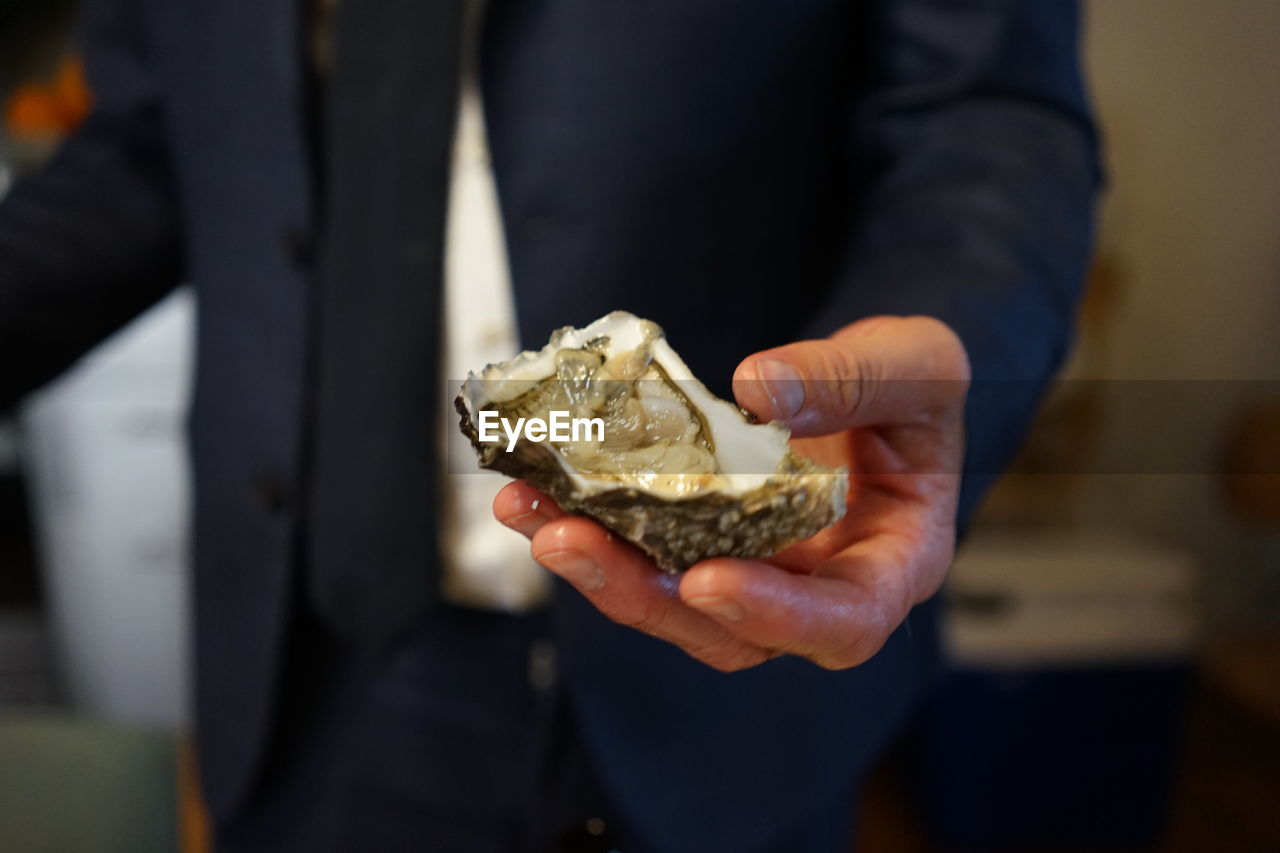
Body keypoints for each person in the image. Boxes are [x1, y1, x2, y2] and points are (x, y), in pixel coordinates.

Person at [0, 0, 1099, 850]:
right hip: (314, 657)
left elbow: (982, 108)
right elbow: (150, 141)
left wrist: (948, 334)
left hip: (733, 648)